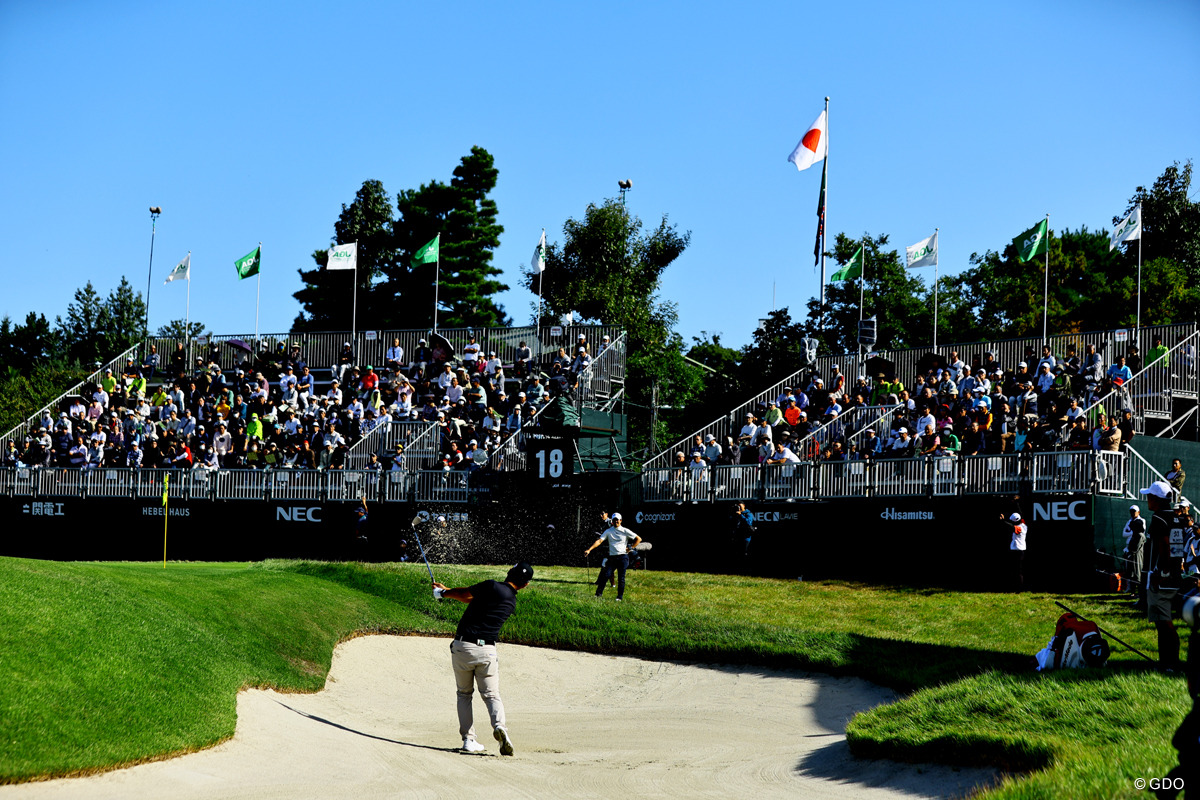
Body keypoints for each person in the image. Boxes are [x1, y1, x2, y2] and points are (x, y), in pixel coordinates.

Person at [432, 562, 533, 756]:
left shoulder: (492, 586)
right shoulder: (511, 601)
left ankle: (469, 740)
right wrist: (447, 591)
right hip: (487, 651)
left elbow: (466, 595)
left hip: (463, 647)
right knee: (492, 695)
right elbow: (471, 599)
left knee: (464, 694)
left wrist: (443, 594)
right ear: (525, 585)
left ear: (509, 572)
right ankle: (500, 727)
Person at [1139, 480, 1185, 672]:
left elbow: (1165, 546)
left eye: (1149, 496)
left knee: (1164, 622)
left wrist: (1161, 572)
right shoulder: (1177, 517)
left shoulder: (1159, 519)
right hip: (1173, 574)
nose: (1147, 499)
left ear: (1156, 499)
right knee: (1163, 621)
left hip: (1162, 577)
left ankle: (1170, 663)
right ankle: (1167, 661)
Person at [584, 512, 642, 601]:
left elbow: (638, 539)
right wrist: (589, 549)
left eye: (617, 520)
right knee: (605, 575)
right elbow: (599, 541)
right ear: (612, 521)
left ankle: (619, 597)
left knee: (621, 578)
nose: (616, 522)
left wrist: (631, 547)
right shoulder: (608, 531)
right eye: (614, 520)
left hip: (623, 557)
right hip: (612, 558)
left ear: (621, 521)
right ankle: (598, 594)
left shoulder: (625, 530)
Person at [1122, 504, 1147, 599]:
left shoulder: (1140, 534)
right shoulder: (1130, 523)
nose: (1132, 513)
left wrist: (1131, 552)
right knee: (1131, 573)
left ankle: (1139, 592)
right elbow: (1124, 534)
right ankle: (1132, 590)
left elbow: (1137, 546)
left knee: (1137, 573)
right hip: (1130, 552)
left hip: (1136, 555)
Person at [999, 511, 1028, 590]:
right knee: (1015, 570)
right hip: (1017, 550)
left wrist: (1003, 521)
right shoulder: (1024, 525)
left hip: (1017, 551)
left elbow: (1011, 526)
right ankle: (1015, 587)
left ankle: (1018, 588)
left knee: (1018, 571)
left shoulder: (1020, 528)